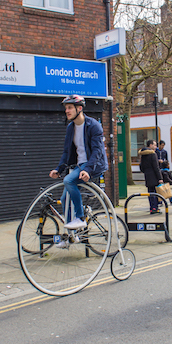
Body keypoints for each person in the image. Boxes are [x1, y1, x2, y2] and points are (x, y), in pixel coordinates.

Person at [50, 95, 108, 246]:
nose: (66, 111)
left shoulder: (93, 125)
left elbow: (97, 152)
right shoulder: (71, 128)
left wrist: (88, 169)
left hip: (93, 165)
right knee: (64, 199)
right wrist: (59, 169)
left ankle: (80, 218)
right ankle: (71, 236)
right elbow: (66, 152)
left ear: (79, 108)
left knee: (68, 180)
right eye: (66, 108)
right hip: (79, 165)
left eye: (69, 108)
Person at [139, 140, 164, 214]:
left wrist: (146, 172)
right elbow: (156, 167)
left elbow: (141, 167)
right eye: (155, 145)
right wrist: (160, 178)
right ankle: (155, 208)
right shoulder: (153, 154)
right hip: (154, 176)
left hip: (147, 176)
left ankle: (151, 207)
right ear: (150, 145)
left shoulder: (143, 155)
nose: (156, 147)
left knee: (150, 193)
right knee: (155, 193)